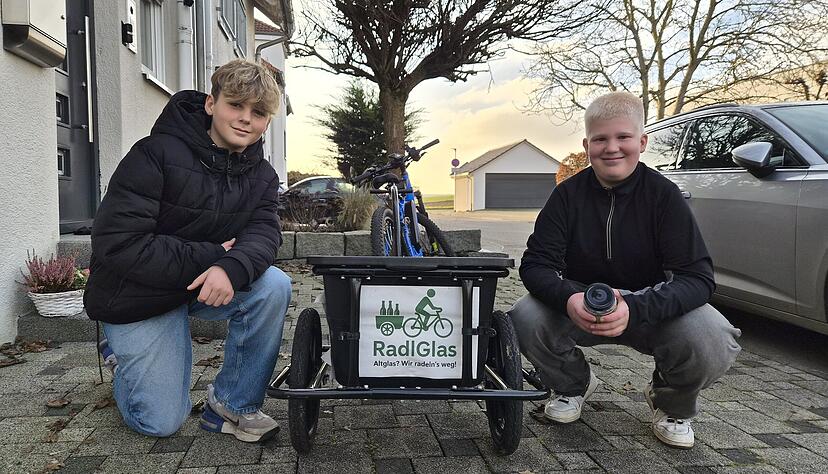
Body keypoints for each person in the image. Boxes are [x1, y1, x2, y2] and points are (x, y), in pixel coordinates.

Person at [509, 91, 741, 449]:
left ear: (642, 142)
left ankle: (670, 402)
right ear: (587, 145)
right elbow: (537, 265)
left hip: (649, 307)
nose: (611, 148)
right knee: (523, 316)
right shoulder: (566, 196)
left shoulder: (665, 196)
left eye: (623, 137)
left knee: (712, 335)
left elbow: (697, 278)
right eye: (600, 139)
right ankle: (573, 384)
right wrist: (569, 298)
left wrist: (635, 307)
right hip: (581, 303)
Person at [84, 59, 291, 443]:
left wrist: (230, 268)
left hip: (195, 285)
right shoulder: (153, 155)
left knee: (273, 285)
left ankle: (232, 405)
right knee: (160, 423)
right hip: (136, 295)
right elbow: (119, 243)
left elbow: (264, 234)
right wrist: (214, 256)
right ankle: (119, 353)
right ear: (211, 104)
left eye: (259, 112)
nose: (246, 119)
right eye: (236, 105)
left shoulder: (261, 175)